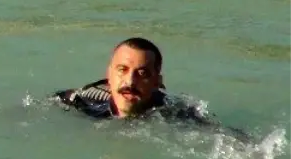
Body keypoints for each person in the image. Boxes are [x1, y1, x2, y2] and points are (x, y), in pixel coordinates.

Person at [51, 37, 241, 133]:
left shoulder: (178, 114)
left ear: (158, 82)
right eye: (122, 70)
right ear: (109, 74)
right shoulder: (83, 101)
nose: (130, 82)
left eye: (142, 74)